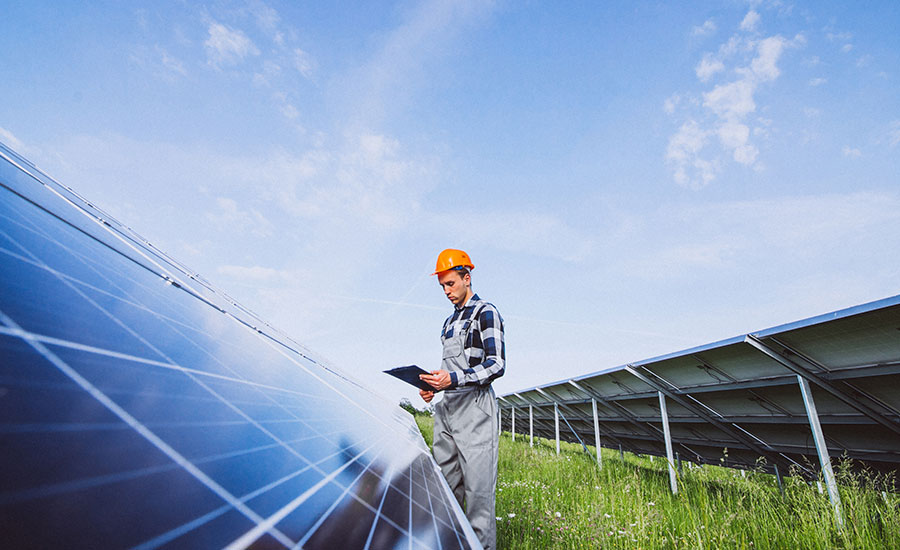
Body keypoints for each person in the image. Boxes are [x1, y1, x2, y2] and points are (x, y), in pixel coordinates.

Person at [419, 248, 505, 550]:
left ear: (466, 278)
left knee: (478, 501)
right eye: (442, 286)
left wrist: (452, 379)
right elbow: (450, 370)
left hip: (476, 414)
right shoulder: (447, 322)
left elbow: (496, 365)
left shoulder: (486, 312)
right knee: (445, 493)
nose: (446, 291)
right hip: (447, 412)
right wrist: (433, 386)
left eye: (450, 284)